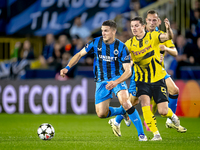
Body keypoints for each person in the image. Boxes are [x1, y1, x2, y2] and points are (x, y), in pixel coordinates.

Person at [60, 20, 147, 141]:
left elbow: (128, 71)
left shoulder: (121, 47)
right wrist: (67, 67)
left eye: (106, 30)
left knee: (126, 102)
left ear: (113, 31)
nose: (103, 33)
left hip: (117, 78)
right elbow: (79, 54)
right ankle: (122, 112)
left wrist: (116, 82)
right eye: (102, 30)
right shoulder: (96, 42)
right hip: (101, 81)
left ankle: (141, 135)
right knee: (101, 114)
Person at [125, 16, 181, 141]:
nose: (134, 28)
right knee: (143, 103)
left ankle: (172, 117)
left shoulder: (153, 36)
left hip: (157, 78)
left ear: (143, 26)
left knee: (163, 111)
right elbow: (119, 54)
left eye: (136, 25)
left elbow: (169, 37)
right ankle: (156, 135)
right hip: (141, 80)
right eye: (132, 26)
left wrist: (168, 29)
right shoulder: (129, 43)